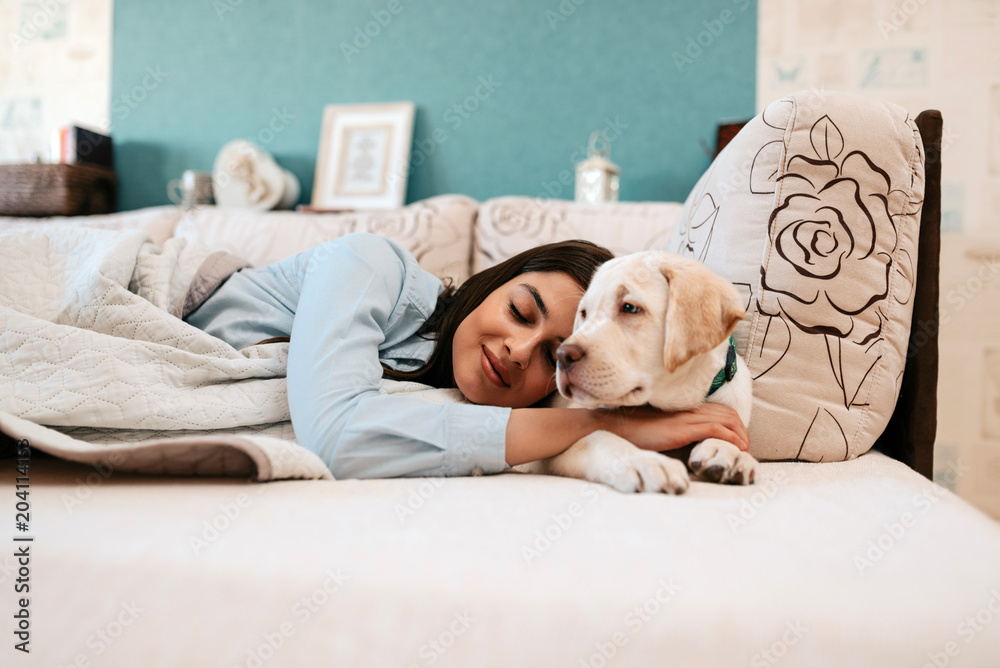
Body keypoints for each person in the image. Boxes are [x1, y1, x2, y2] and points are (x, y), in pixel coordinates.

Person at [184, 232, 749, 479]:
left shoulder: (445, 394)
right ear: (490, 283)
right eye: (520, 312)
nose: (520, 351)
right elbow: (333, 434)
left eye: (553, 353)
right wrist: (611, 426)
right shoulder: (369, 264)